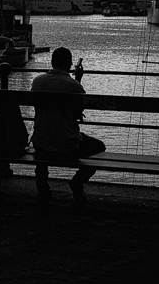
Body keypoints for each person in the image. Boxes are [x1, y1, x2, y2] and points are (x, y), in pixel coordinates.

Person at [31, 47, 105, 203]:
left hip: (41, 142)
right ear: (70, 64)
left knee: (42, 141)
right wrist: (78, 79)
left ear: (52, 62)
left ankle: (42, 185)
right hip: (67, 144)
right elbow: (78, 110)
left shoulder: (37, 82)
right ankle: (77, 181)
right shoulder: (73, 86)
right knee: (99, 147)